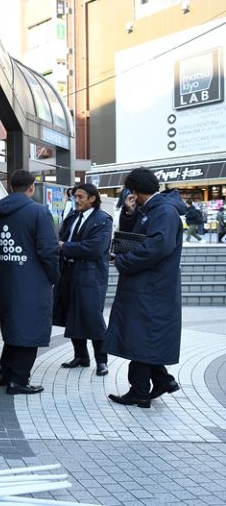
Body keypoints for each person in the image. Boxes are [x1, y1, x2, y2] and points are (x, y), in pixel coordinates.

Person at [104, 168, 185, 408]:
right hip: (148, 285)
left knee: (138, 337)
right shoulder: (153, 210)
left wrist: (123, 261)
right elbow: (137, 238)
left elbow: (157, 247)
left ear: (134, 190)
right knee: (141, 335)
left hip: (152, 287)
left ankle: (139, 392)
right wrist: (130, 213)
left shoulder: (164, 212)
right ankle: (162, 380)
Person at [0, 169, 60, 394]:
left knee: (13, 327)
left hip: (6, 279)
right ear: (32, 187)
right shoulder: (38, 212)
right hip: (33, 281)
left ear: (11, 187)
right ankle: (19, 381)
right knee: (30, 330)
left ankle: (4, 373)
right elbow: (48, 250)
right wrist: (54, 276)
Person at [53, 183, 112, 376]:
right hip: (68, 273)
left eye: (80, 197)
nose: (76, 200)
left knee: (93, 318)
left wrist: (65, 247)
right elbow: (61, 238)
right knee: (72, 315)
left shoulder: (103, 220)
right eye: (75, 197)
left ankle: (102, 361)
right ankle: (81, 356)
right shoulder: (72, 217)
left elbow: (94, 248)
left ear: (92, 198)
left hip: (90, 276)